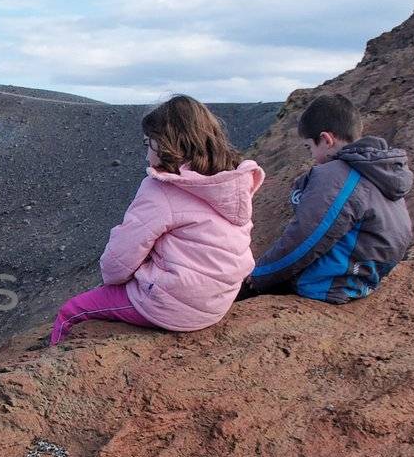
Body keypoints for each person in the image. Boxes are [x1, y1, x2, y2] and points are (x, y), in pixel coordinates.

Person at [51, 95, 265, 346]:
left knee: (70, 312)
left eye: (148, 143)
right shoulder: (231, 184)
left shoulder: (161, 188)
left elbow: (118, 262)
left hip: (173, 306)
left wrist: (111, 283)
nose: (146, 153)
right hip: (217, 301)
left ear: (165, 144)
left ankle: (47, 365)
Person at [245, 93, 412, 302]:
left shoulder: (335, 175)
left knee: (243, 288)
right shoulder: (380, 171)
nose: (312, 156)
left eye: (310, 147)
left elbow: (305, 238)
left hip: (328, 284)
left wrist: (260, 274)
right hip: (364, 280)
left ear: (326, 139)